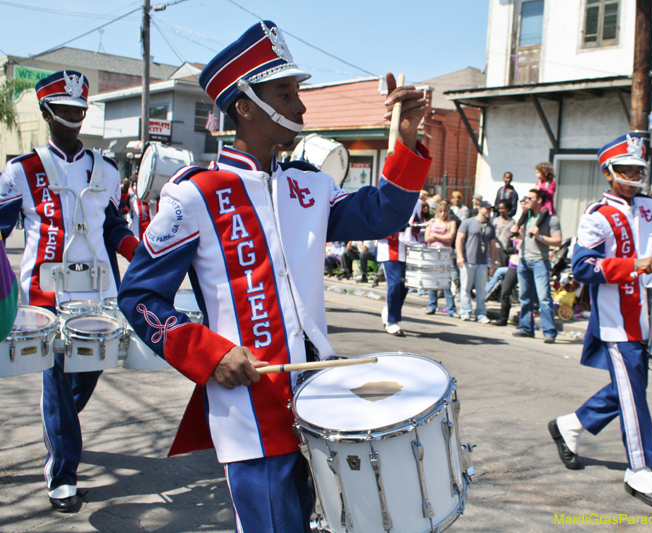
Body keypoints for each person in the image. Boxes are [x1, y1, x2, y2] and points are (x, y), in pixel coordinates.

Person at [117, 20, 431, 533]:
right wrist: (210, 354)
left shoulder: (308, 186)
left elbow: (382, 215)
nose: (300, 107)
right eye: (285, 93)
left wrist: (405, 142)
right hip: (250, 399)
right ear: (244, 106)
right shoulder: (193, 193)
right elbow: (139, 297)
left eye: (297, 92)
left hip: (322, 397)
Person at [548, 133, 652, 510]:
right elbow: (582, 269)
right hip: (615, 319)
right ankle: (639, 468)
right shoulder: (596, 216)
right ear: (609, 172)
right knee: (634, 396)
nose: (633, 175)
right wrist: (633, 265)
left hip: (645, 314)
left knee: (629, 389)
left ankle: (570, 425)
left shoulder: (651, 208)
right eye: (625, 169)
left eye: (638, 168)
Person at [0, 70, 139, 513]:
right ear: (47, 113)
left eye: (80, 110)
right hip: (45, 295)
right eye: (65, 110)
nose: (74, 118)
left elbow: (115, 228)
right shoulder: (20, 170)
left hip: (100, 296)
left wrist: (146, 258)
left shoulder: (108, 168)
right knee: (58, 380)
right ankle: (62, 473)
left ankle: (60, 433)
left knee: (88, 374)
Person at [512, 188, 560, 342]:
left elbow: (558, 241)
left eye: (530, 198)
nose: (526, 201)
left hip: (540, 261)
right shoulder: (526, 217)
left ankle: (549, 331)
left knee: (544, 298)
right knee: (524, 297)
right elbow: (523, 236)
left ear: (539, 200)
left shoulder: (551, 219)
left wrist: (540, 236)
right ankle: (526, 327)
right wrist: (516, 232)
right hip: (524, 260)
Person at [455, 201, 496, 323]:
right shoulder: (468, 223)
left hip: (482, 262)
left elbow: (493, 246)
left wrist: (493, 263)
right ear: (480, 208)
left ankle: (481, 314)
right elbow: (459, 239)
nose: (488, 211)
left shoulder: (490, 226)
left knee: (481, 290)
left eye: (490, 210)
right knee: (465, 288)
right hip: (468, 261)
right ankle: (465, 311)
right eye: (486, 209)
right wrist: (460, 256)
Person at [377, 212, 417, 336]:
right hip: (389, 253)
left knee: (404, 287)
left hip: (406, 253)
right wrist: (397, 228)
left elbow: (415, 224)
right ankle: (392, 321)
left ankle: (390, 310)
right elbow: (378, 229)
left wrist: (416, 228)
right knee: (394, 285)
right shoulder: (383, 208)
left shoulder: (411, 207)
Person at [425, 202, 457, 316]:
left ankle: (451, 309)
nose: (443, 213)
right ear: (437, 212)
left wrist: (435, 235)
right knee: (432, 281)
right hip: (432, 253)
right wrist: (441, 236)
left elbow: (450, 238)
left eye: (445, 211)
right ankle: (431, 306)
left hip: (445, 254)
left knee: (446, 281)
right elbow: (426, 237)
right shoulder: (432, 222)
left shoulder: (451, 223)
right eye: (440, 211)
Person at [492, 198, 515, 268]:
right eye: (499, 209)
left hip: (506, 248)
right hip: (497, 247)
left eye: (503, 208)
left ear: (507, 209)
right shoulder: (496, 221)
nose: (501, 211)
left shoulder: (512, 221)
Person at [532, 161, 556, 227]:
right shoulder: (538, 182)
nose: (536, 175)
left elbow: (550, 194)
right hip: (538, 204)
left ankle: (536, 226)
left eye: (538, 172)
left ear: (544, 172)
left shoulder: (551, 183)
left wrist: (542, 188)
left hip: (546, 205)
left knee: (544, 211)